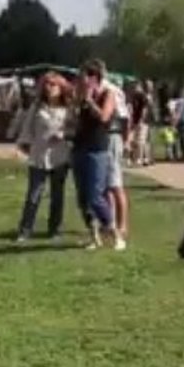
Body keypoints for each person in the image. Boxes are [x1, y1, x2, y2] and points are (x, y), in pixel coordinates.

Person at [15, 73, 72, 242]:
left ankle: (55, 230)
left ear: (61, 88)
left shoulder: (68, 108)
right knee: (34, 195)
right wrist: (24, 143)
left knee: (57, 196)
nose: (49, 88)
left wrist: (63, 134)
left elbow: (74, 128)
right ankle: (25, 230)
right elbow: (27, 127)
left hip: (59, 157)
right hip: (39, 156)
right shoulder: (37, 107)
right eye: (46, 84)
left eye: (53, 85)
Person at [72, 61, 118, 251]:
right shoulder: (80, 96)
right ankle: (94, 237)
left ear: (93, 78)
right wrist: (78, 102)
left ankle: (114, 233)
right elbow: (75, 120)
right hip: (79, 148)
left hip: (97, 149)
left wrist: (90, 101)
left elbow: (104, 117)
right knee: (83, 198)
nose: (79, 80)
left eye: (82, 76)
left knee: (95, 196)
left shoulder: (108, 94)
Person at [106, 74, 131, 251]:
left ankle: (122, 225)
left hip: (112, 137)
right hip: (101, 137)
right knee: (106, 186)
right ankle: (111, 222)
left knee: (115, 184)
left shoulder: (113, 92)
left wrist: (126, 139)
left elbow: (125, 118)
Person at [128, 80, 153, 168]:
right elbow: (132, 109)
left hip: (143, 122)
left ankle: (140, 159)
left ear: (139, 87)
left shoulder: (143, 96)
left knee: (141, 141)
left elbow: (144, 109)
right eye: (133, 87)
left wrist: (141, 120)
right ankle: (135, 158)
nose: (134, 89)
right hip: (135, 121)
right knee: (134, 141)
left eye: (135, 87)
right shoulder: (134, 96)